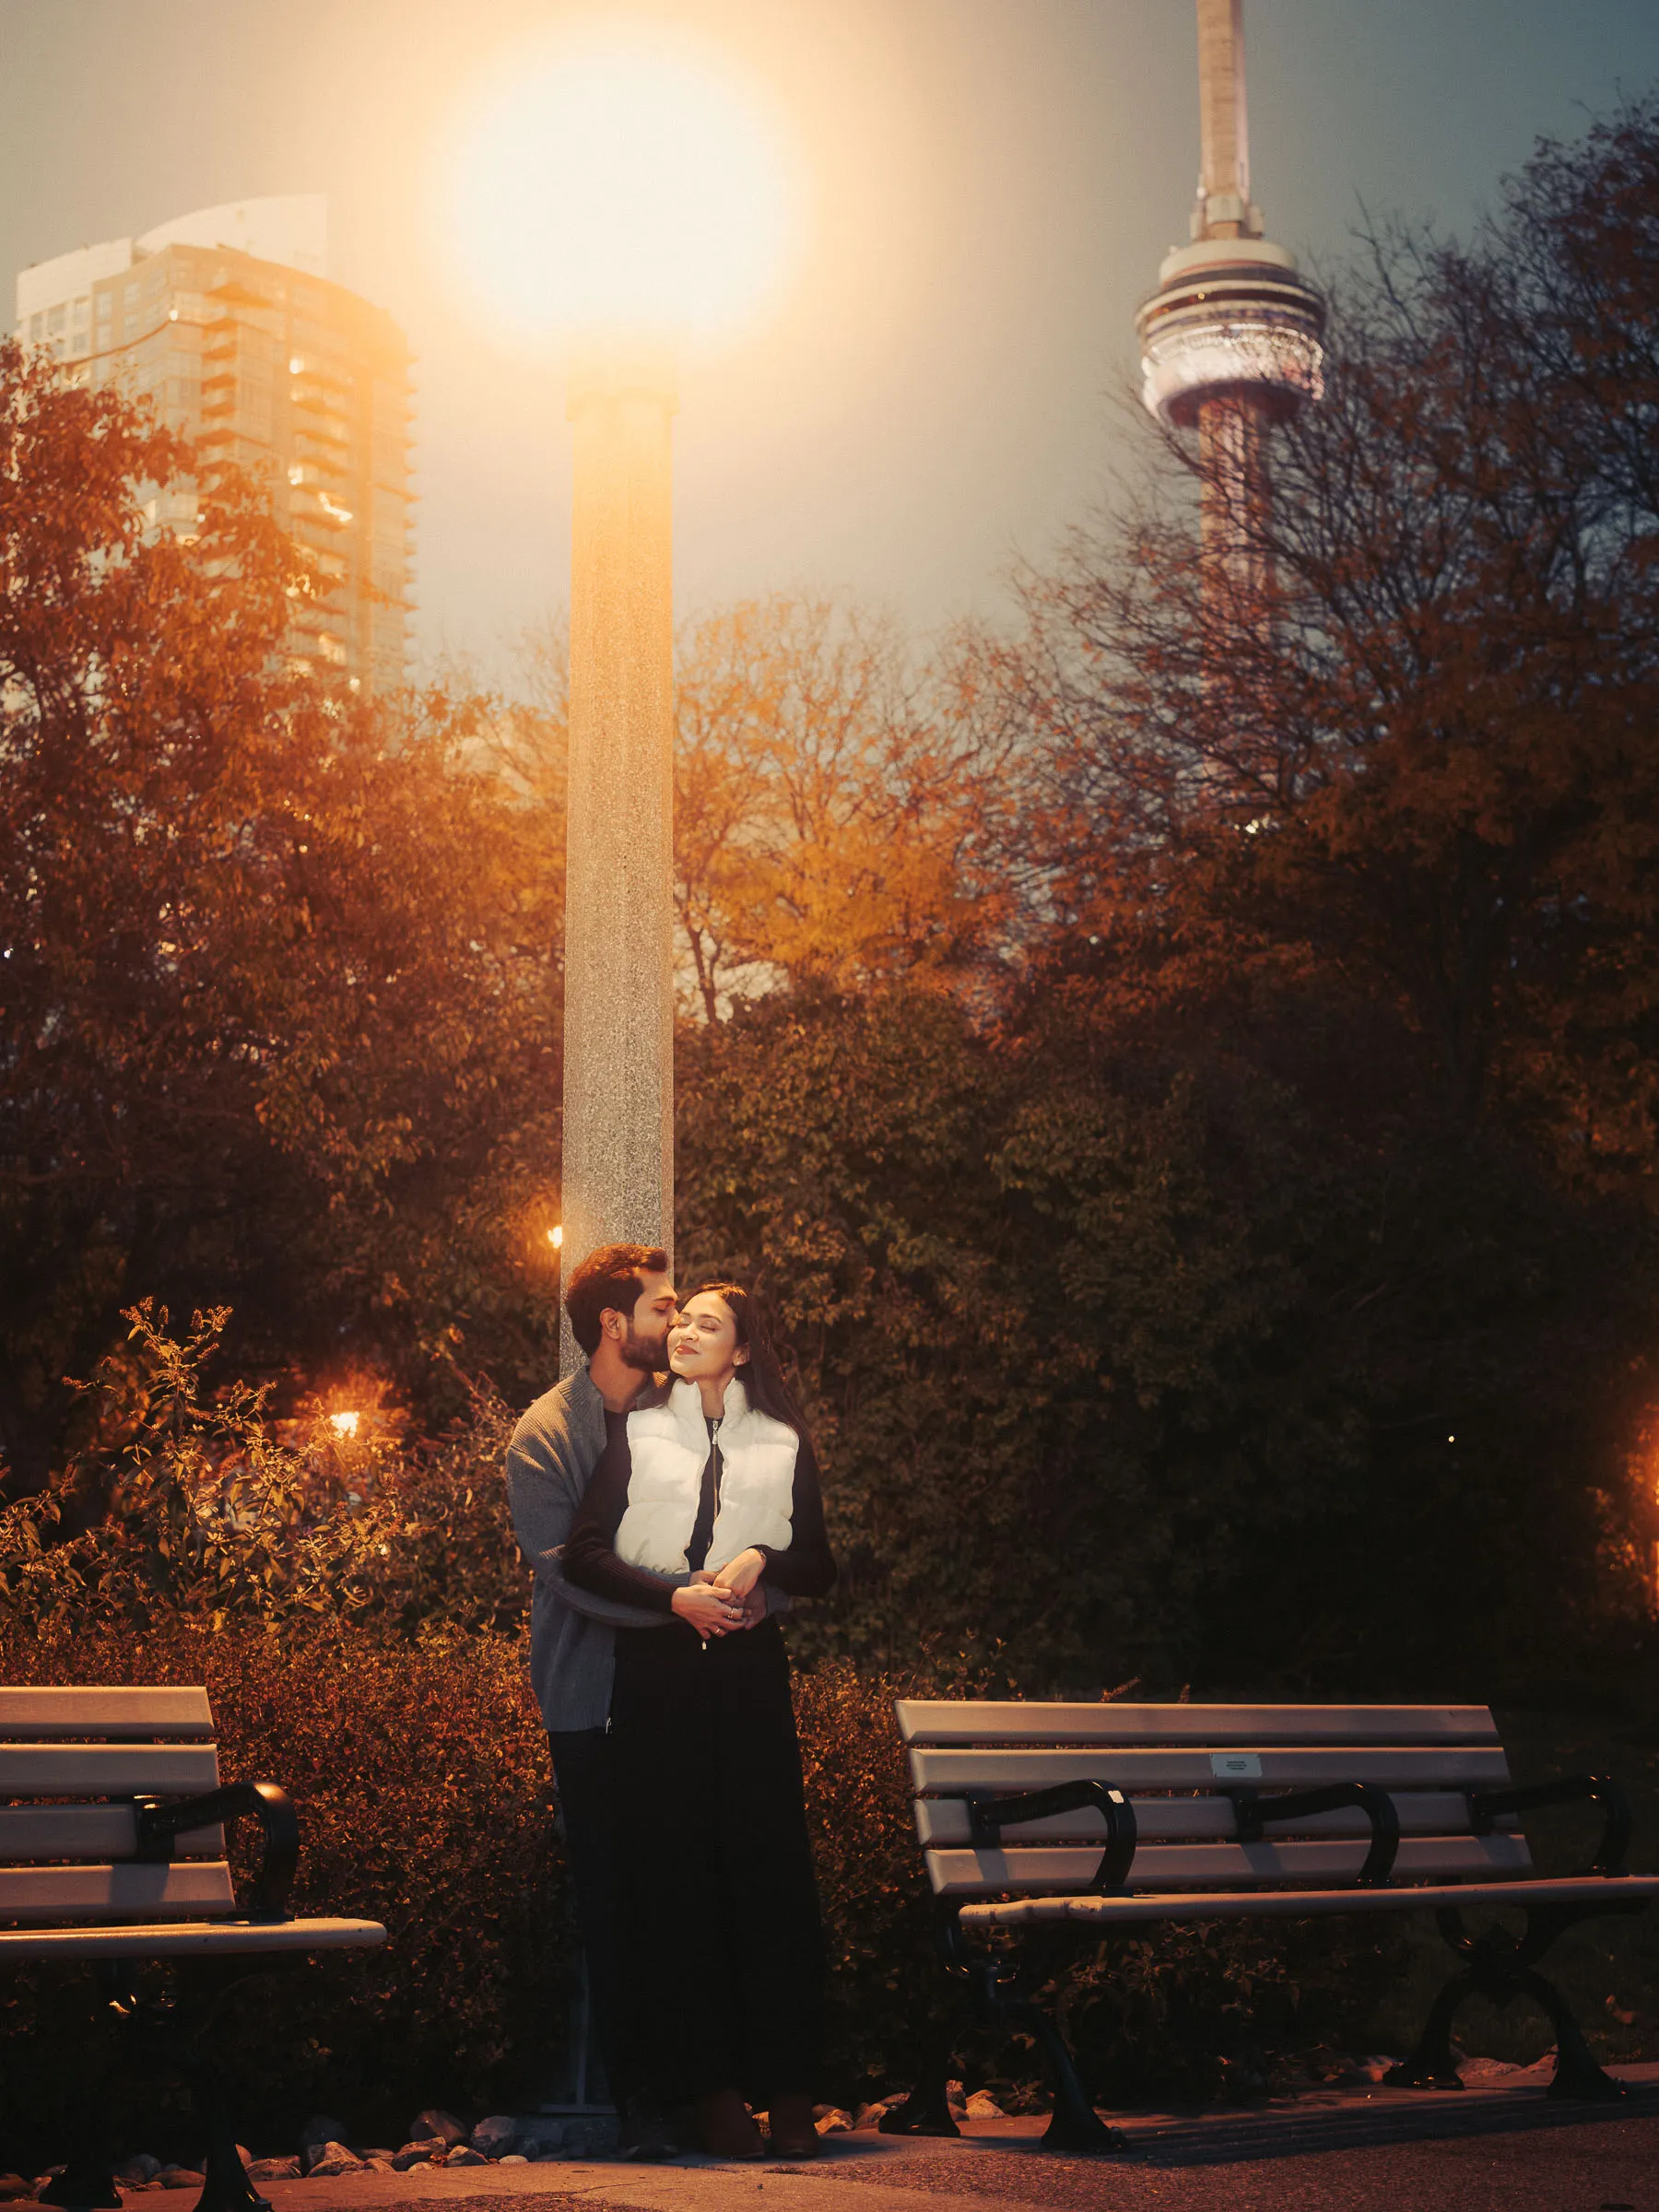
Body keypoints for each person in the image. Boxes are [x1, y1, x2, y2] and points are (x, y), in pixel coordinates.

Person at [504, 1244, 770, 2162]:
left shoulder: (677, 1409)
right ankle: (644, 2106)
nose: (678, 1319)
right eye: (662, 1307)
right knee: (617, 1904)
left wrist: (748, 1580)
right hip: (592, 1697)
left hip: (687, 1697)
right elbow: (567, 1576)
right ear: (615, 1325)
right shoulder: (546, 1433)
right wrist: (678, 1598)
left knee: (693, 1893)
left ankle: (716, 2087)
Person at [562, 1280, 836, 2161]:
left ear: (743, 1350)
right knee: (677, 1883)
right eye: (679, 1320)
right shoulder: (635, 1433)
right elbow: (586, 1554)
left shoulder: (784, 1441)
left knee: (769, 1874)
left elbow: (825, 1563)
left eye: (705, 1324)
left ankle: (791, 2088)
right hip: (661, 1679)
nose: (683, 1331)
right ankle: (713, 2092)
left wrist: (765, 1559)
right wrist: (675, 1598)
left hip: (752, 1679)